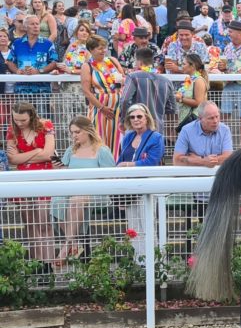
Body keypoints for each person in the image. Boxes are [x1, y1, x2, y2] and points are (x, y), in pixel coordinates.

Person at [50, 116, 115, 267]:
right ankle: (74, 243)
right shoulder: (71, 150)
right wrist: (59, 168)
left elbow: (111, 176)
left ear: (88, 131)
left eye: (77, 132)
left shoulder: (101, 150)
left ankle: (66, 246)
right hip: (73, 190)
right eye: (72, 132)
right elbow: (65, 175)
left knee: (76, 200)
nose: (74, 136)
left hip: (97, 192)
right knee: (57, 200)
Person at [6, 101, 56, 266]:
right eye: (16, 120)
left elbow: (48, 154)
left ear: (32, 116)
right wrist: (36, 151)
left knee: (43, 222)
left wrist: (23, 156)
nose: (19, 123)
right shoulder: (12, 130)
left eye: (23, 120)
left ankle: (48, 263)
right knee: (29, 223)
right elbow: (12, 159)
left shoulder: (45, 125)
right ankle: (36, 263)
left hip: (44, 177)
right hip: (23, 178)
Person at [116, 104, 164, 257]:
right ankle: (138, 261)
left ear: (146, 118)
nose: (136, 119)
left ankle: (153, 262)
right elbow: (120, 159)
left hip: (147, 186)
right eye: (132, 117)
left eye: (139, 116)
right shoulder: (128, 137)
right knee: (133, 226)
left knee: (147, 225)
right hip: (129, 187)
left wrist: (129, 165)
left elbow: (152, 161)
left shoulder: (156, 137)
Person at [81, 35, 125, 161]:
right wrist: (101, 107)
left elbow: (123, 79)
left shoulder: (112, 61)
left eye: (104, 48)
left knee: (117, 139)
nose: (103, 51)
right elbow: (86, 91)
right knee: (99, 138)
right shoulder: (87, 66)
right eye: (100, 48)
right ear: (91, 50)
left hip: (117, 107)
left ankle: (116, 165)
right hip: (99, 108)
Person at [120, 47, 178, 136]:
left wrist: (124, 120)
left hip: (136, 128)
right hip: (157, 130)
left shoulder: (133, 77)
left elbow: (125, 100)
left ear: (139, 62)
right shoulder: (166, 81)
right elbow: (172, 109)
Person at [173, 101, 233, 167]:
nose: (215, 121)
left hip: (218, 172)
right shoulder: (186, 131)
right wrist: (204, 161)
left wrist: (199, 159)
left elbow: (229, 158)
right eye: (211, 118)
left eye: (217, 116)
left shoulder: (225, 130)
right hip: (194, 172)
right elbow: (176, 160)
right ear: (200, 119)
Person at [173, 52, 208, 133]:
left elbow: (198, 102)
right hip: (186, 119)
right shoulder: (189, 80)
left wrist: (180, 99)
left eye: (184, 64)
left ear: (192, 66)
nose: (182, 66)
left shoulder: (199, 80)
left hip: (195, 121)